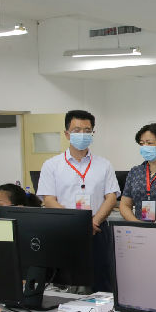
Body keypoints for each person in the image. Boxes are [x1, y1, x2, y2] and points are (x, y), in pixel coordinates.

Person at [36, 110, 120, 291]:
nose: (82, 134)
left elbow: (111, 197)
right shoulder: (52, 165)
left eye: (87, 130)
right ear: (67, 134)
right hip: (65, 231)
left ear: (93, 133)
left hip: (97, 231)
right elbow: (49, 200)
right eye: (76, 130)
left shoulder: (104, 164)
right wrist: (76, 224)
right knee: (66, 283)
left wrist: (93, 222)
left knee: (101, 282)